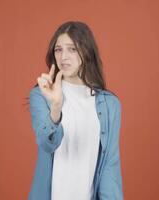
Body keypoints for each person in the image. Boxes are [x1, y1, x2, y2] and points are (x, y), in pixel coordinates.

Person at [28, 21, 123, 200]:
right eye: (58, 49)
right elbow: (46, 143)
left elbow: (110, 167)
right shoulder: (41, 95)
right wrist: (56, 106)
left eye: (72, 49)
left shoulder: (110, 105)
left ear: (86, 52)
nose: (64, 56)